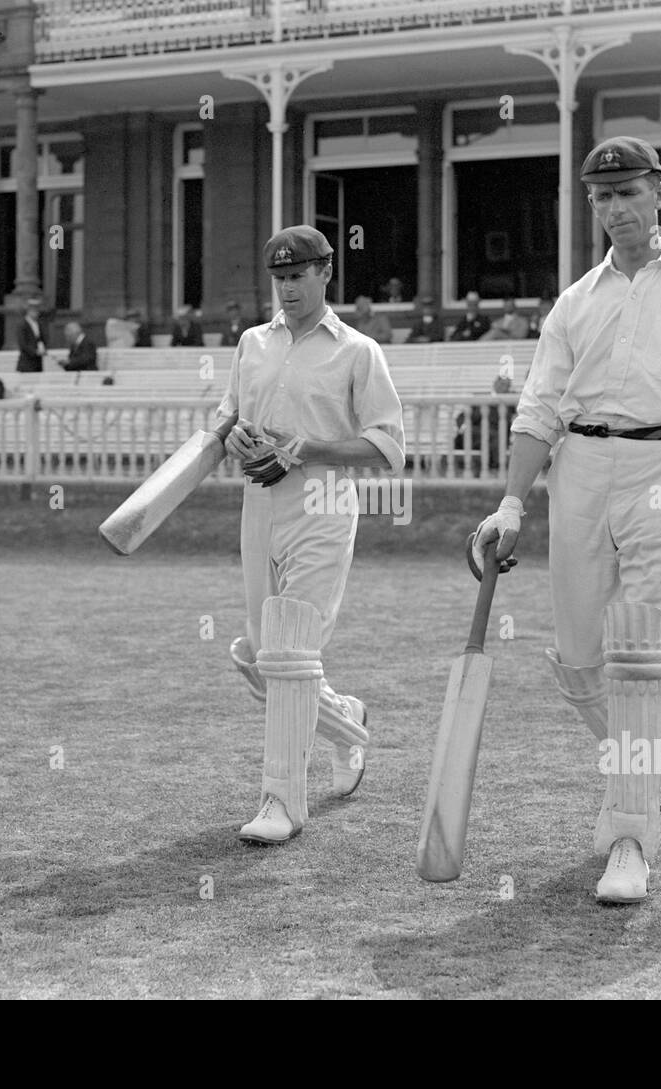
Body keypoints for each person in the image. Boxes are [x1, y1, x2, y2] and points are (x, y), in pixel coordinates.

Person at [473, 136, 661, 905]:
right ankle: (644, 765)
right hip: (580, 473)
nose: (615, 209)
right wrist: (510, 503)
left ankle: (630, 834)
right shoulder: (575, 301)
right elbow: (539, 408)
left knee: (638, 654)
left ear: (660, 193)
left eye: (628, 192)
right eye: (602, 197)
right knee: (576, 661)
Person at [216, 225, 405, 845]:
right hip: (259, 503)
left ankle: (281, 800)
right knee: (256, 654)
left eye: (298, 276)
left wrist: (310, 448)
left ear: (326, 274)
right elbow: (229, 420)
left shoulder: (357, 350)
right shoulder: (252, 343)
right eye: (279, 277)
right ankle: (347, 723)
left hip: (323, 504)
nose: (288, 288)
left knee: (291, 652)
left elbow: (388, 448)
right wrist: (237, 436)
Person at [16, 296, 49, 372]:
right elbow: (23, 343)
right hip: (26, 363)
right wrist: (35, 352)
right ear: (29, 310)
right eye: (34, 310)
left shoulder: (39, 324)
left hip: (37, 363)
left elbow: (41, 339)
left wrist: (43, 348)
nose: (37, 312)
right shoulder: (22, 324)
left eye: (37, 310)